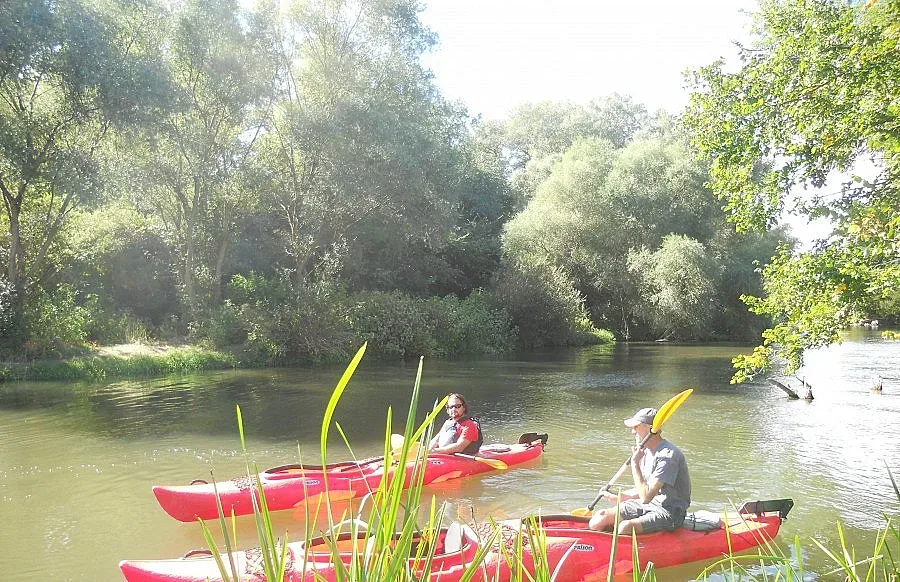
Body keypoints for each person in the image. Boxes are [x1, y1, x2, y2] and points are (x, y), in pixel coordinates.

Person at [588, 407, 691, 535]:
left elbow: (646, 497)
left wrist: (635, 464)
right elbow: (643, 489)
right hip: (649, 504)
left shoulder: (668, 456)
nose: (632, 432)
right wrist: (619, 497)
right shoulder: (645, 451)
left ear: (649, 428)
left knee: (625, 528)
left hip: (669, 512)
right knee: (599, 518)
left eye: (636, 427)